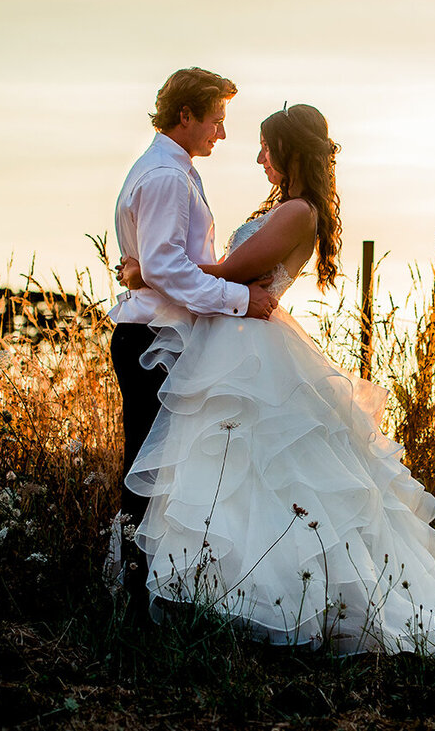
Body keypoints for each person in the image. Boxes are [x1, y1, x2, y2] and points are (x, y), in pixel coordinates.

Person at [118, 104, 435, 657]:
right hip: (235, 341)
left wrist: (146, 269)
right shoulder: (282, 207)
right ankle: (221, 596)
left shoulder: (298, 211)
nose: (258, 156)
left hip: (252, 350)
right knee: (234, 475)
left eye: (267, 146)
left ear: (291, 150)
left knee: (268, 474)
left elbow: (228, 272)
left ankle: (278, 602)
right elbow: (228, 270)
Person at [107, 67, 278, 597]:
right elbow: (166, 268)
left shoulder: (170, 168)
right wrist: (239, 299)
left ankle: (147, 586)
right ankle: (134, 591)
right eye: (216, 119)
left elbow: (157, 264)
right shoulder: (164, 176)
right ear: (186, 115)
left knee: (159, 465)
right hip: (153, 342)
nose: (221, 133)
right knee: (149, 468)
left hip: (160, 336)